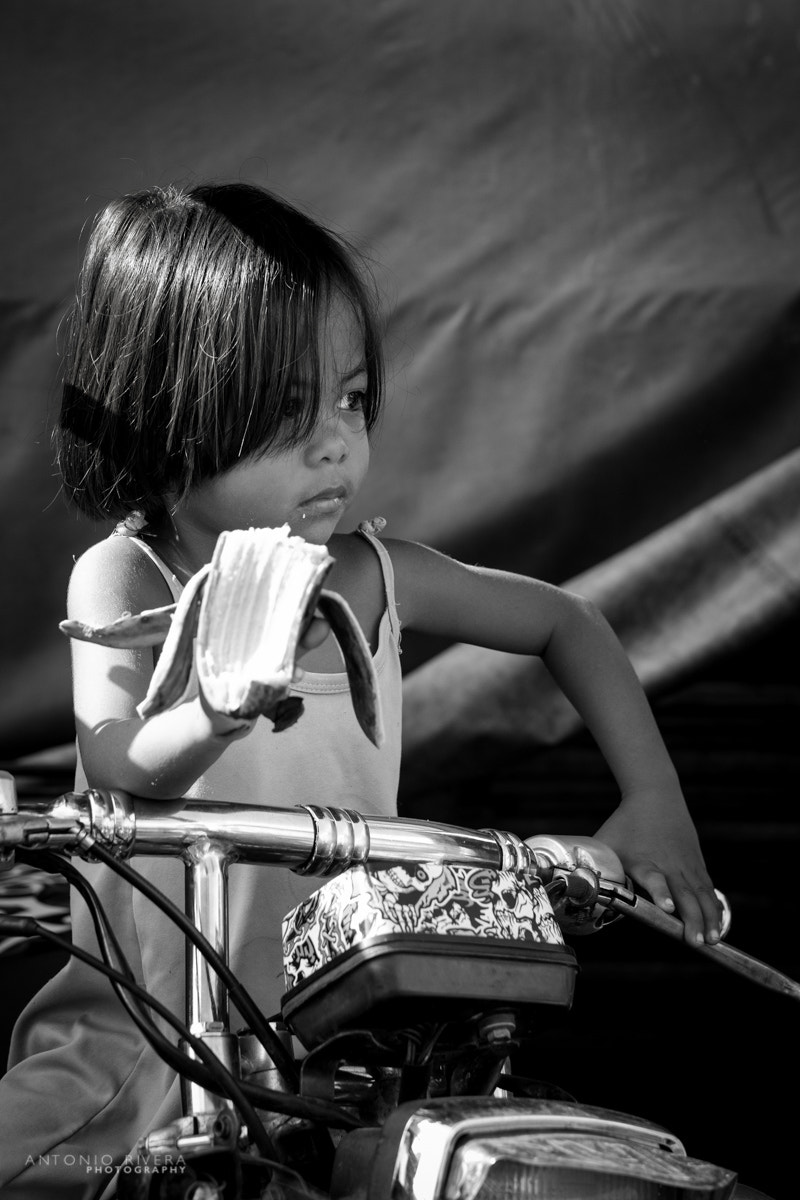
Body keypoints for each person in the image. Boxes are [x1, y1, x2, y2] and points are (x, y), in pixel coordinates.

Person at [0, 182, 721, 1197]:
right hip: (147, 1039)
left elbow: (569, 622)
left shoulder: (377, 574)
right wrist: (210, 709)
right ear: (167, 426)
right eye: (285, 414)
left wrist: (654, 800)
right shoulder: (129, 578)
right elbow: (118, 762)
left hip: (332, 1046)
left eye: (348, 398)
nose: (337, 442)